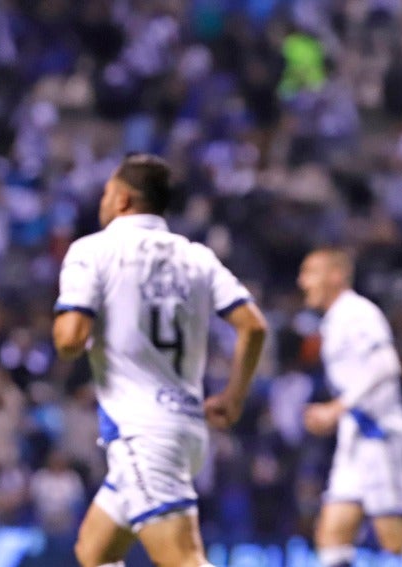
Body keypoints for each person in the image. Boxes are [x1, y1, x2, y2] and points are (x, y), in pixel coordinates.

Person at [52, 153, 268, 567]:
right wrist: (234, 397)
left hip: (141, 433)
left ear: (122, 200)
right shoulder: (196, 256)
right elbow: (253, 326)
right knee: (94, 552)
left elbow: (70, 337)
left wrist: (68, 328)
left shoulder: (93, 251)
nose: (101, 201)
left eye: (105, 192)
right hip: (186, 428)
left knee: (185, 560)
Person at [297, 247, 402, 567]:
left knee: (399, 540)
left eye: (309, 273)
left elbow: (387, 365)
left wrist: (337, 408)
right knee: (331, 537)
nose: (302, 281)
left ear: (336, 275)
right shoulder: (333, 320)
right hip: (356, 437)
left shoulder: (357, 313)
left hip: (379, 435)